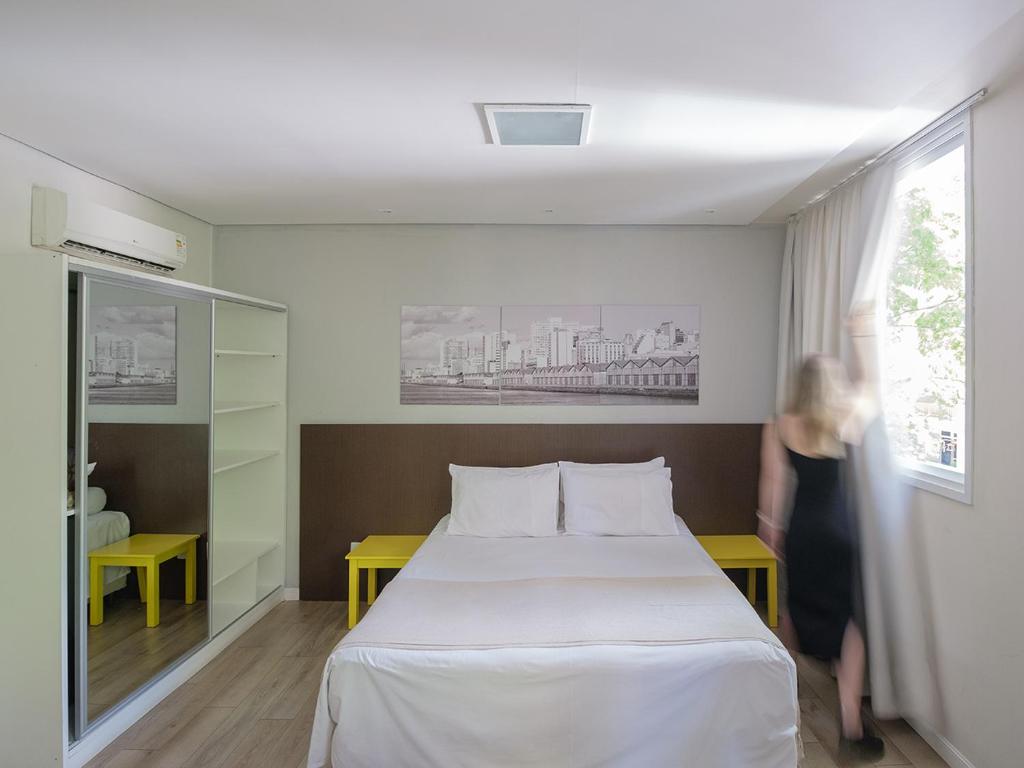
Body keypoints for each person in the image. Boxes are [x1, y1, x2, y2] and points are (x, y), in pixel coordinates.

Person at [769, 306, 884, 761]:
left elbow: (773, 483)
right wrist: (861, 335)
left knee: (794, 611)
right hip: (838, 529)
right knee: (849, 623)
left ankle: (784, 697)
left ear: (800, 385)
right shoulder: (843, 418)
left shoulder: (781, 423)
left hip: (803, 529)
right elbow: (872, 388)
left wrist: (770, 527)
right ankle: (851, 723)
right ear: (831, 386)